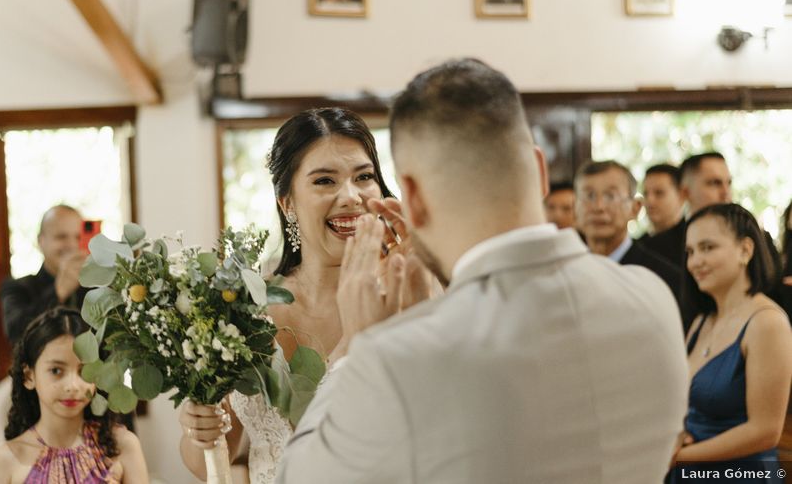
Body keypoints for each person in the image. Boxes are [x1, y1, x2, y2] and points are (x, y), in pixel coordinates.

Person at [277, 58, 689, 483]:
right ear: (540, 170)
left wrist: (360, 352)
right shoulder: (653, 297)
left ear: (412, 197)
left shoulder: (400, 358)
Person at [177, 108, 426, 484]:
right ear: (287, 202)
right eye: (325, 180)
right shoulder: (244, 312)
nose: (351, 197)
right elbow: (221, 462)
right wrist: (199, 431)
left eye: (364, 177)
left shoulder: (408, 298)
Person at [668, 204, 792, 482]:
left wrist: (676, 457)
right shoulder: (703, 320)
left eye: (708, 247)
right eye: (690, 252)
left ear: (745, 250)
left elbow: (765, 431)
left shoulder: (767, 322)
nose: (695, 261)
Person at [0, 306, 148, 483]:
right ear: (29, 376)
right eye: (56, 371)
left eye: (84, 371)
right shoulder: (4, 460)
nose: (72, 386)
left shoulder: (123, 445)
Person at [575, 160, 681, 301]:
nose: (598, 207)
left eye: (610, 196)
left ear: (635, 208)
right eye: (589, 196)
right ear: (574, 207)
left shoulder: (663, 278)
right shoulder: (567, 271)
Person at [1, 205, 89, 344]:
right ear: (41, 241)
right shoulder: (17, 288)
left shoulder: (97, 289)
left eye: (78, 237)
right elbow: (17, 333)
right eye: (61, 237)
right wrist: (58, 292)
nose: (72, 245)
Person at [641, 163, 685, 238]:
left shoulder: (692, 240)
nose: (649, 201)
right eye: (645, 194)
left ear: (681, 195)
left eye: (659, 193)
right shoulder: (639, 245)